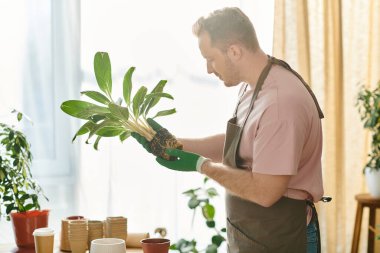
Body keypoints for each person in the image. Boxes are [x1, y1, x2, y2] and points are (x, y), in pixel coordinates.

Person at [133, 7, 325, 253]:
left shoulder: (279, 103)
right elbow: (242, 143)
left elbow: (266, 192)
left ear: (234, 51)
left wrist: (201, 165)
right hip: (255, 236)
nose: (208, 69)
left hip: (283, 239)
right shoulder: (253, 87)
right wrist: (175, 144)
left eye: (210, 58)